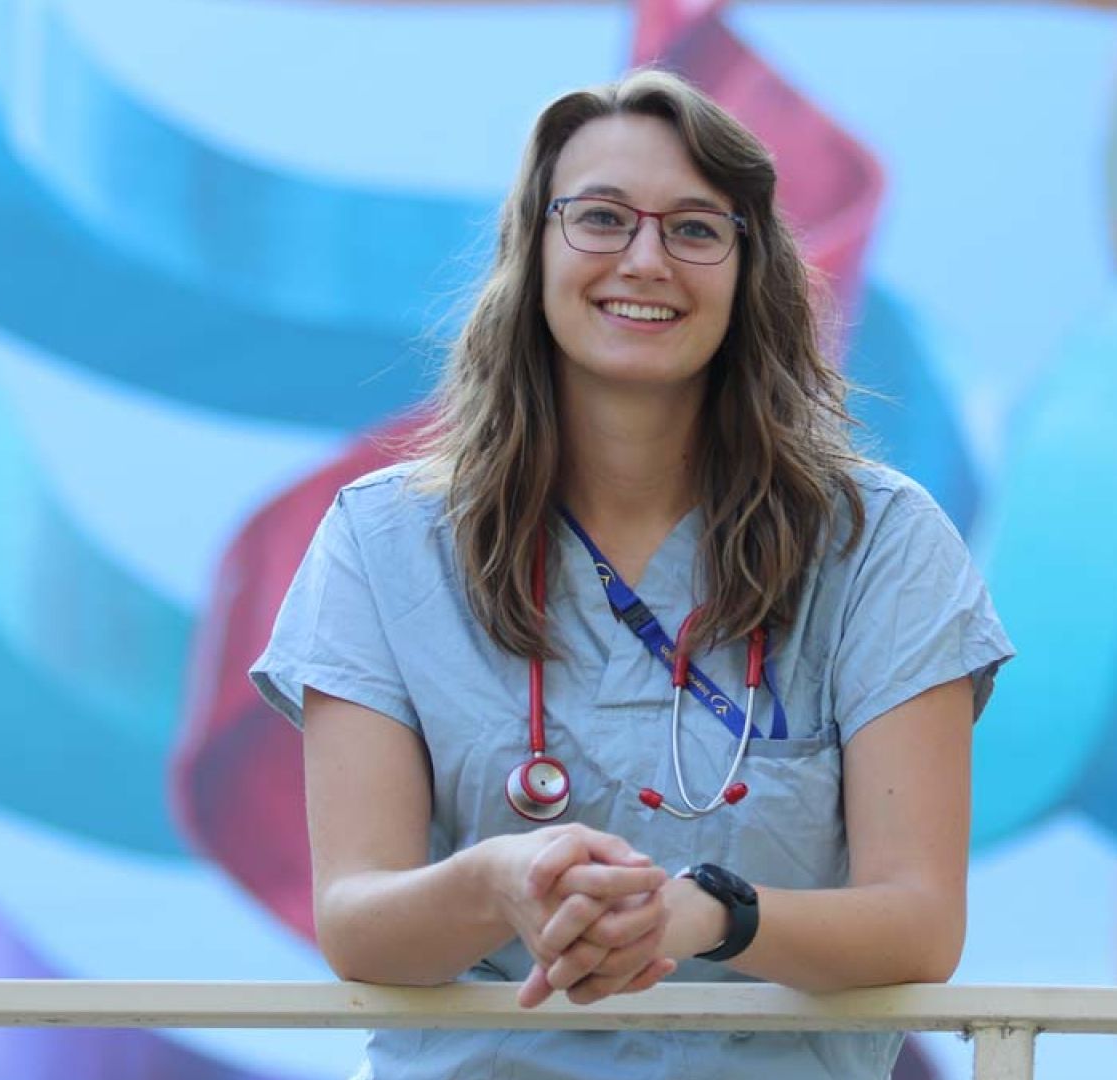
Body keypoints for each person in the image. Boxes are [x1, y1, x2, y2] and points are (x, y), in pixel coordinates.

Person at [249, 68, 1012, 1080]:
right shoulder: (382, 542)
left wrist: (704, 915)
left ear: (750, 272)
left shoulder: (880, 545)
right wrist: (498, 880)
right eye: (601, 218)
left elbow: (917, 924)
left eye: (696, 228)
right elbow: (357, 922)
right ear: (534, 247)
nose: (646, 260)